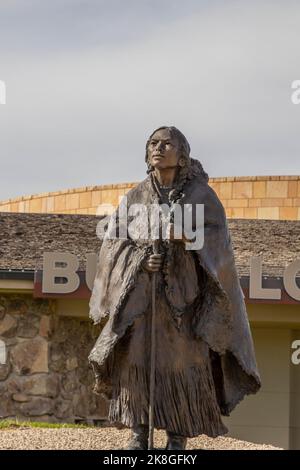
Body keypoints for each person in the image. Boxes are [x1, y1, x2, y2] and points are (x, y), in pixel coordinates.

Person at [88, 126, 261, 450]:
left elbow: (218, 239)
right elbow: (114, 243)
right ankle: (139, 432)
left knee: (184, 365)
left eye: (167, 143)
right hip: (143, 300)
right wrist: (140, 261)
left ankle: (177, 435)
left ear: (182, 155)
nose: (159, 147)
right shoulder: (136, 197)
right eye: (153, 143)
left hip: (186, 301)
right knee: (136, 361)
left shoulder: (201, 196)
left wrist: (187, 236)